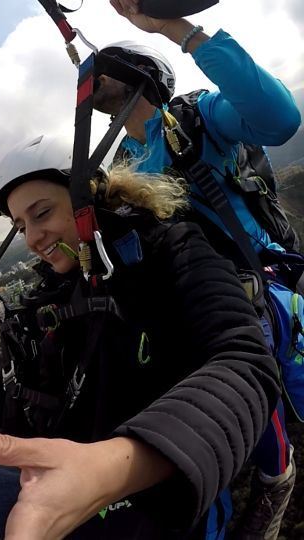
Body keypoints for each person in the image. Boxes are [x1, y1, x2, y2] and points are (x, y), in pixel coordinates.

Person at [0, 134, 281, 539]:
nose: (32, 238)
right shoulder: (65, 285)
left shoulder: (171, 250)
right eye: (21, 226)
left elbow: (246, 361)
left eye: (42, 213)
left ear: (87, 195)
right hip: (63, 450)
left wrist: (112, 467)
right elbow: (33, 368)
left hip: (139, 481)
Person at [92, 3, 301, 537]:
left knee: (265, 372)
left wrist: (175, 29)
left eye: (101, 75)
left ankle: (277, 479)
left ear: (139, 76)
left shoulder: (198, 117)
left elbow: (279, 120)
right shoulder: (122, 169)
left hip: (253, 285)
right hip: (188, 299)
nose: (90, 87)